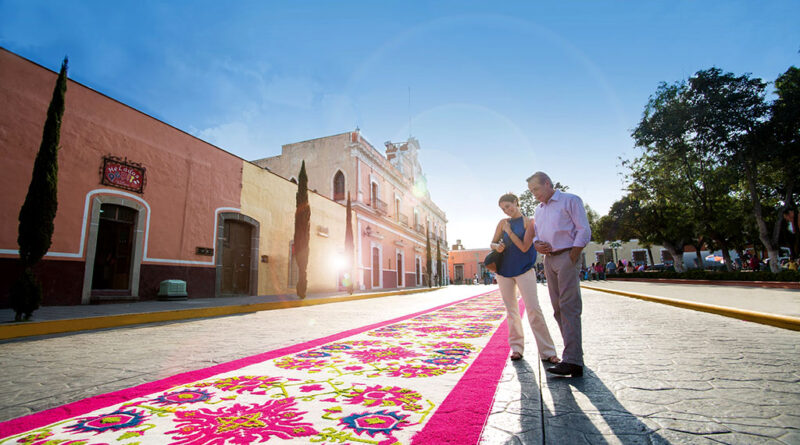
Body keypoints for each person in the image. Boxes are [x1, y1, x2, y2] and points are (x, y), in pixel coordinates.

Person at [529, 172, 591, 377]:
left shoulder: (570, 200)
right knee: (557, 309)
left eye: (536, 189)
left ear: (547, 183)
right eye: (531, 191)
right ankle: (574, 355)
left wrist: (573, 255)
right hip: (549, 259)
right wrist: (537, 244)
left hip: (567, 255)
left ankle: (573, 360)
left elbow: (583, 229)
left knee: (569, 306)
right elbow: (537, 234)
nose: (534, 194)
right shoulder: (538, 210)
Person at [491, 193, 559, 364]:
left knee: (534, 309)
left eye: (508, 206)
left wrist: (509, 232)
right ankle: (516, 348)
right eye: (503, 209)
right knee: (511, 311)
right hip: (504, 271)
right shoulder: (502, 222)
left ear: (516, 202)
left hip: (524, 270)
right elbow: (492, 243)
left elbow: (524, 247)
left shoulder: (529, 222)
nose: (506, 211)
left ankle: (548, 351)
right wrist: (497, 247)